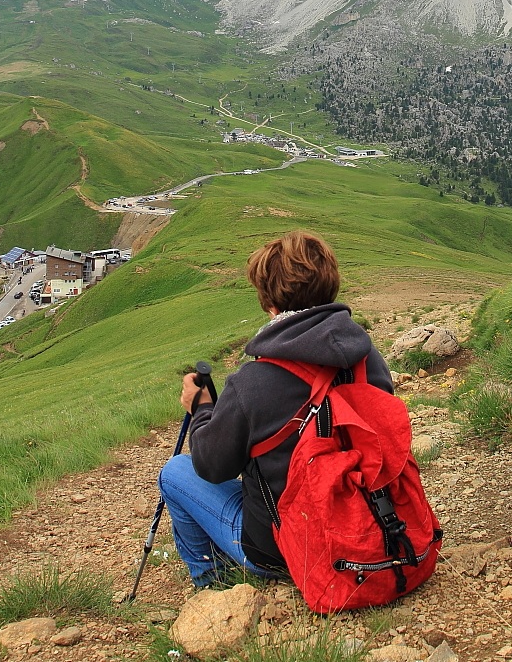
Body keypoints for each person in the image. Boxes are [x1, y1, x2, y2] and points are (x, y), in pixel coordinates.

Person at [158, 230, 394, 587]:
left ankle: (213, 580)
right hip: (374, 525)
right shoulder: (367, 359)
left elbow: (211, 466)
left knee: (175, 472)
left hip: (283, 550)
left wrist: (202, 409)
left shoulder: (253, 380)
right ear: (330, 288)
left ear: (270, 304)